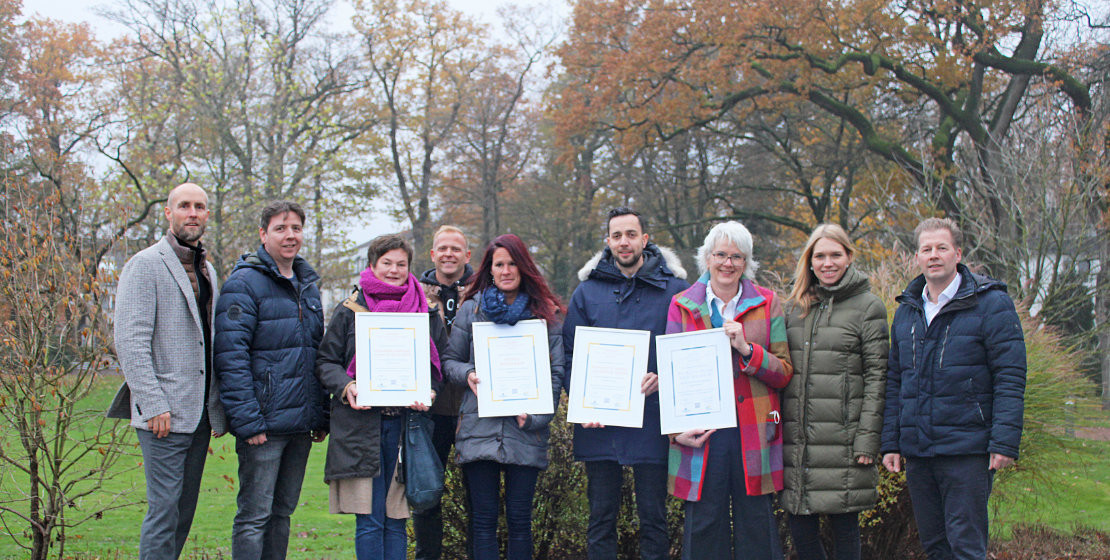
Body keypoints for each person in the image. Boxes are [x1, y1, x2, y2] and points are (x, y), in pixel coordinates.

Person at [881, 218, 1026, 560]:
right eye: (926, 249)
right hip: (919, 452)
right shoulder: (907, 311)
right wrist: (891, 442)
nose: (934, 255)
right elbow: (895, 380)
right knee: (935, 546)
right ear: (917, 257)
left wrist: (1004, 441)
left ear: (958, 254)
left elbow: (1010, 375)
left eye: (941, 248)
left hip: (967, 450)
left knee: (966, 546)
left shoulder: (990, 304)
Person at [108, 182, 228, 560]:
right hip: (163, 415)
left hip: (199, 414)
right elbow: (130, 341)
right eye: (184, 206)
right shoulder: (145, 265)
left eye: (200, 207)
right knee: (163, 512)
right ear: (168, 212)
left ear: (207, 215)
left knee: (182, 513)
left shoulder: (207, 269)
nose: (193, 212)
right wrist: (153, 402)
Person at [562, 207, 688, 560]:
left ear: (645, 240)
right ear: (607, 242)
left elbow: (688, 350)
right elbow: (571, 354)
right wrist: (584, 402)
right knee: (601, 518)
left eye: (631, 234)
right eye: (616, 235)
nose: (624, 242)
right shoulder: (586, 293)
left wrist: (665, 378)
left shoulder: (675, 291)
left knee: (654, 518)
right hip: (599, 424)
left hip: (653, 419)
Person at [665, 221, 792, 560]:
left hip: (753, 429)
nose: (728, 263)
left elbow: (783, 372)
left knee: (757, 528)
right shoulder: (681, 305)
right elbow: (671, 375)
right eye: (720, 254)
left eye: (737, 256)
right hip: (703, 433)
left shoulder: (767, 303)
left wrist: (748, 350)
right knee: (704, 527)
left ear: (746, 262)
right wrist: (677, 432)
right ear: (707, 258)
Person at [315, 234, 448, 560]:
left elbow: (438, 366)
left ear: (409, 266)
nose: (393, 270)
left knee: (396, 519)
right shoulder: (349, 310)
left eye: (400, 264)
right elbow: (326, 362)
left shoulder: (425, 311)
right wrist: (347, 387)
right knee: (370, 521)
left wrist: (429, 390)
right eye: (386, 263)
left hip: (406, 428)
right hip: (361, 428)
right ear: (372, 265)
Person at [213, 201, 328, 560]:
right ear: (264, 234)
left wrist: (320, 415)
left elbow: (315, 353)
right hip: (263, 426)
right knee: (254, 517)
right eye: (280, 228)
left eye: (295, 227)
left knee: (282, 514)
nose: (290, 235)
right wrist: (247, 422)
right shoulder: (243, 285)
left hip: (300, 426)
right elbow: (231, 358)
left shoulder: (307, 286)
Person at [442, 233, 565, 560]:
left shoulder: (544, 315)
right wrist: (468, 374)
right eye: (500, 264)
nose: (506, 270)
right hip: (478, 430)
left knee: (520, 522)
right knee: (482, 522)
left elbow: (555, 373)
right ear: (489, 269)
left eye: (513, 263)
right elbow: (449, 361)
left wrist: (537, 417)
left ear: (524, 267)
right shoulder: (472, 309)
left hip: (525, 430)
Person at [781, 224, 888, 560]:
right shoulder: (793, 308)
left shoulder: (869, 306)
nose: (827, 263)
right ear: (810, 261)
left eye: (835, 255)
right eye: (820, 256)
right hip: (797, 442)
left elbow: (877, 376)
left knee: (845, 533)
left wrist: (867, 439)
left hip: (845, 440)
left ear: (848, 257)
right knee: (801, 532)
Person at [415, 225, 475, 560]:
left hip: (473, 409)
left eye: (456, 249)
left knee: (477, 499)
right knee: (427, 496)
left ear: (467, 256)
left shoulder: (484, 291)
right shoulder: (414, 293)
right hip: (430, 411)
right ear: (433, 254)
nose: (449, 254)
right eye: (443, 248)